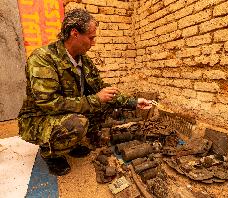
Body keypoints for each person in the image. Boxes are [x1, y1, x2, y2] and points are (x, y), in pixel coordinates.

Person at [18, 9, 152, 176]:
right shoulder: (43, 58)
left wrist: (134, 102)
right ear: (75, 33)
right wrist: (95, 99)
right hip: (39, 118)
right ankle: (49, 152)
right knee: (78, 123)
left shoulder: (84, 61)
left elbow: (102, 89)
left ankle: (71, 143)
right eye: (91, 37)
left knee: (106, 104)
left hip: (67, 112)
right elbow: (48, 103)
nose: (93, 43)